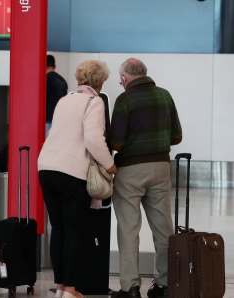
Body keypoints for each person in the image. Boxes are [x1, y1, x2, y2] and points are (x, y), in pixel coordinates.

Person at [38, 60, 117, 298]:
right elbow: (93, 139)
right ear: (101, 82)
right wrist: (110, 165)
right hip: (71, 173)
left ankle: (61, 285)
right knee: (74, 231)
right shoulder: (94, 102)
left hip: (46, 168)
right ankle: (71, 289)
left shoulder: (65, 100)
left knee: (58, 230)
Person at [109, 58, 182, 298]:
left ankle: (130, 288)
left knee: (129, 229)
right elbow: (177, 137)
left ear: (123, 78)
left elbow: (117, 142)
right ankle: (165, 285)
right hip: (161, 168)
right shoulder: (164, 95)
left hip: (130, 170)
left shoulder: (125, 100)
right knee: (164, 229)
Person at [46, 54, 68, 136]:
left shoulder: (45, 79)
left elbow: (44, 100)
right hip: (59, 119)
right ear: (54, 66)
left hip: (47, 119)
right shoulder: (62, 80)